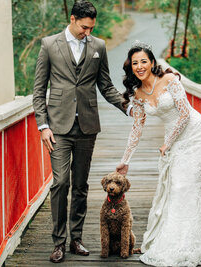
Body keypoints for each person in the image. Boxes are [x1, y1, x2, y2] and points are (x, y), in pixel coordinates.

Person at [33, 1, 130, 263]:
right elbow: (38, 89)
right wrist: (43, 125)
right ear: (73, 19)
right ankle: (58, 242)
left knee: (80, 185)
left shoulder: (98, 46)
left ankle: (76, 239)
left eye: (91, 28)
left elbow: (106, 85)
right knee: (60, 182)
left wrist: (128, 107)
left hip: (87, 126)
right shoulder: (49, 44)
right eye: (84, 27)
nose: (88, 33)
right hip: (57, 127)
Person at [116, 40, 201, 266]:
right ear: (131, 67)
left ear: (152, 62)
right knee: (175, 188)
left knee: (186, 186)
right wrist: (126, 160)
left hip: (195, 135)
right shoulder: (139, 95)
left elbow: (184, 115)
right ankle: (183, 244)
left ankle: (194, 246)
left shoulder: (170, 80)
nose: (140, 66)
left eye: (144, 61)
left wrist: (167, 143)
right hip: (173, 141)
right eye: (135, 63)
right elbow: (137, 129)